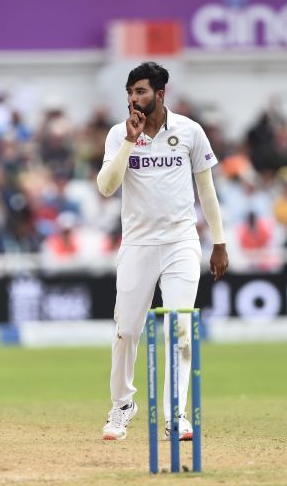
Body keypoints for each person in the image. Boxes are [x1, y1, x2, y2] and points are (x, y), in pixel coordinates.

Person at [96, 62, 228, 441]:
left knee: (180, 328)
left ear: (160, 93)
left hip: (181, 243)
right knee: (126, 330)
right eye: (130, 94)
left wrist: (218, 242)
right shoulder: (118, 134)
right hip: (137, 243)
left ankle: (176, 415)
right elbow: (106, 187)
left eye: (140, 92)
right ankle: (122, 406)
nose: (134, 100)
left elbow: (207, 190)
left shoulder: (190, 131)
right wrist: (127, 141)